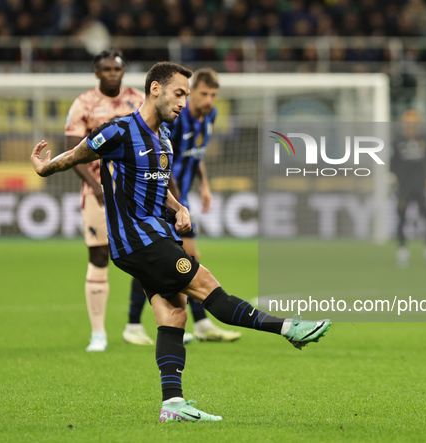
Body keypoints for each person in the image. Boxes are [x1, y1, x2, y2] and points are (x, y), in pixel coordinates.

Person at [31, 61, 332, 422]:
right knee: (208, 288)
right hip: (137, 242)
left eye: (187, 96)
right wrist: (45, 167)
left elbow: (156, 187)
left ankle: (172, 404)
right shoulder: (119, 131)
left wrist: (178, 206)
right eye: (179, 94)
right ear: (155, 89)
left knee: (174, 314)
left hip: (157, 235)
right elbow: (78, 154)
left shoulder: (163, 139)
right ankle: (288, 328)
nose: (183, 103)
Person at [126, 68, 242, 343]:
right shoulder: (175, 120)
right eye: (203, 94)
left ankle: (189, 323)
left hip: (184, 196)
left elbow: (196, 153)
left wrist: (204, 183)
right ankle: (193, 324)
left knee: (161, 260)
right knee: (182, 259)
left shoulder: (209, 116)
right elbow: (163, 159)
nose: (208, 100)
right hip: (166, 195)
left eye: (213, 95)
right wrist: (177, 205)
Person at [64, 49, 148, 351]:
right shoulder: (83, 104)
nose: (112, 73)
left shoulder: (140, 100)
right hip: (98, 193)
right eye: (106, 69)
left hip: (136, 190)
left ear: (124, 71)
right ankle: (98, 333)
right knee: (99, 257)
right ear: (97, 72)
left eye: (117, 68)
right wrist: (95, 186)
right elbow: (73, 154)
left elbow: (153, 141)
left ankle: (137, 325)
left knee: (146, 255)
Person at [391, 109, 426, 268]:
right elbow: (393, 162)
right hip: (404, 186)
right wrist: (392, 177)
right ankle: (402, 252)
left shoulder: (424, 139)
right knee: (402, 218)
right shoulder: (398, 141)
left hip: (421, 185)